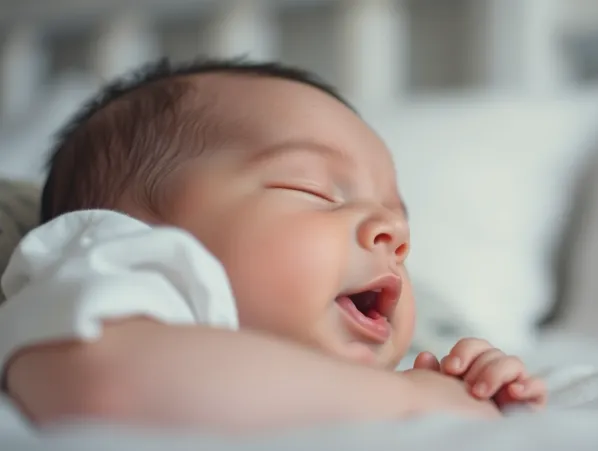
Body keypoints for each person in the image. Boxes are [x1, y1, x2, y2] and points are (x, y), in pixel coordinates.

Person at [0, 59, 545, 432]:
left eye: (400, 221)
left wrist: (463, 388)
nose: (393, 234)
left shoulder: (350, 384)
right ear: (134, 225)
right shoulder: (112, 257)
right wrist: (409, 402)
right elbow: (101, 380)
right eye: (311, 188)